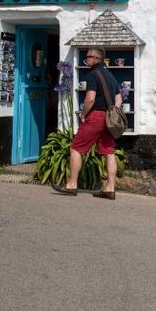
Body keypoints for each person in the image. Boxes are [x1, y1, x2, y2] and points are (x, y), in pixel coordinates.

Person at [54, 48, 123, 199]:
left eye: (88, 57)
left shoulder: (93, 74)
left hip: (96, 116)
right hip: (108, 118)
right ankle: (110, 188)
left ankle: (72, 185)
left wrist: (83, 114)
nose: (86, 59)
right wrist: (113, 113)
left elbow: (90, 98)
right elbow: (118, 98)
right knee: (109, 152)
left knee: (76, 148)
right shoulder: (110, 75)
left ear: (95, 58)